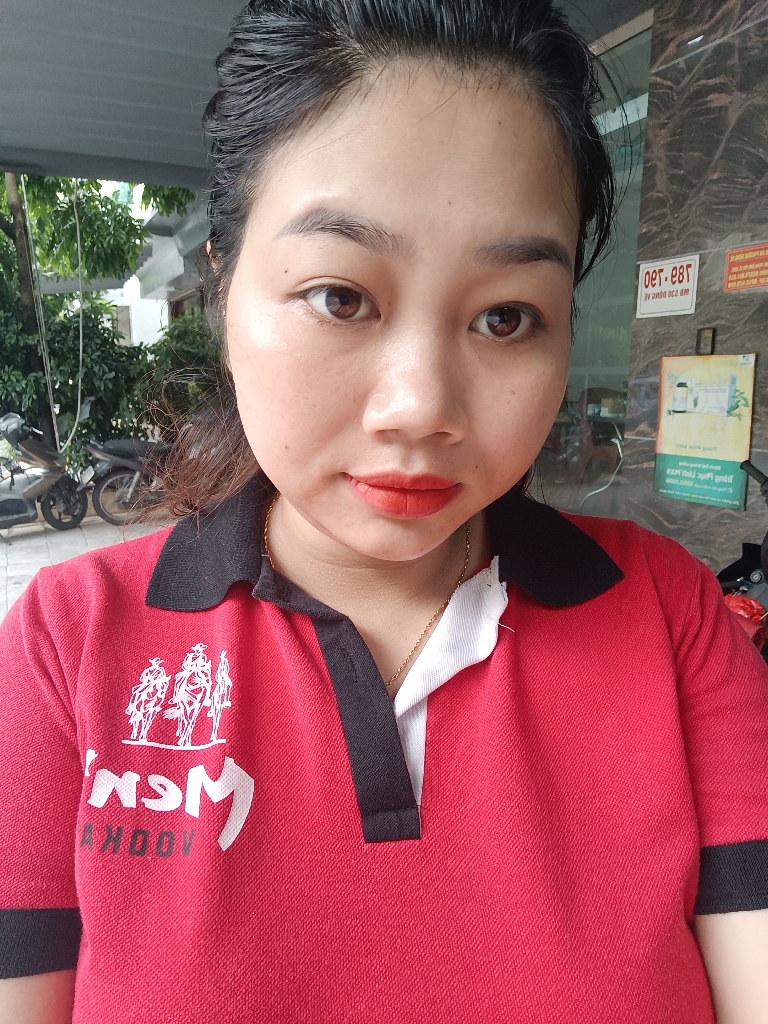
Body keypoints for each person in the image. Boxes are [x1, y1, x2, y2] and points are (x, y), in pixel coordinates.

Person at [1, 1, 767, 1021]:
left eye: (506, 316)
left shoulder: (667, 615)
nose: (421, 407)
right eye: (341, 297)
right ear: (224, 293)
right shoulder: (68, 644)